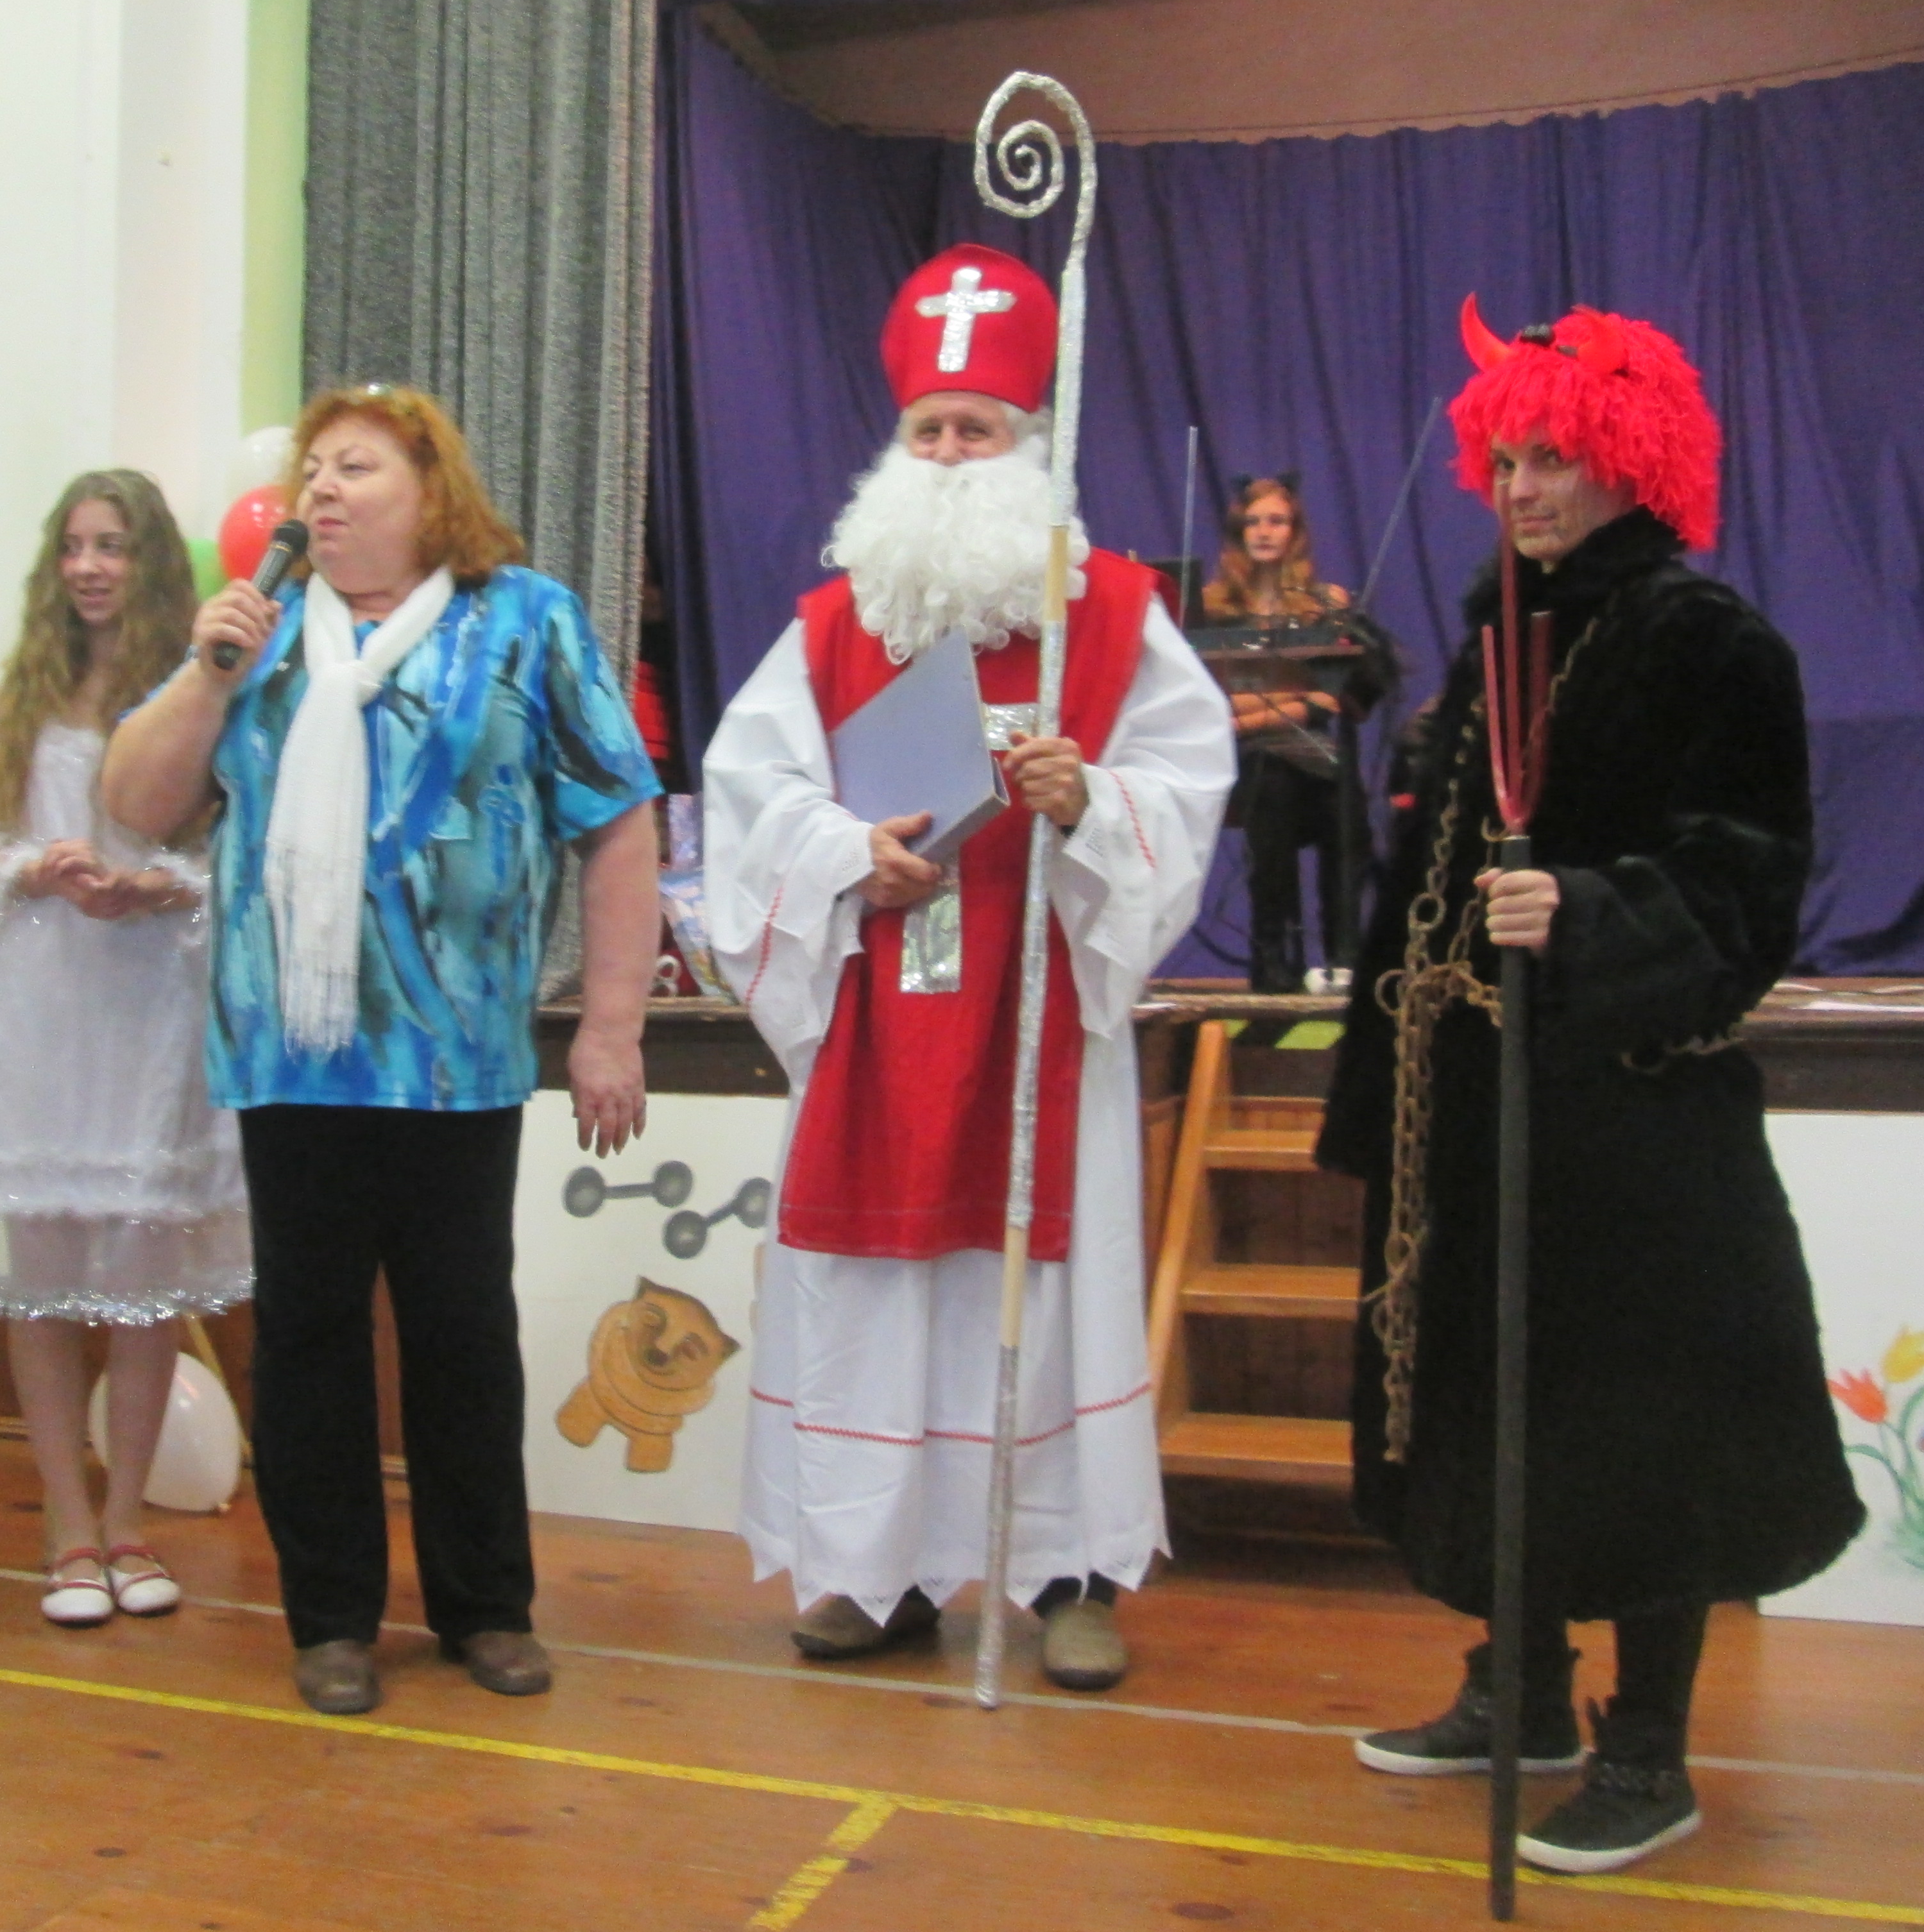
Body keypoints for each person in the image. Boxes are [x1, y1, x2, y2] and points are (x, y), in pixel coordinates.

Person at [1319, 301, 1862, 1874]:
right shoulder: (1496, 640)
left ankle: (1648, 1752)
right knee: (1498, 1401)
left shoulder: (1709, 642)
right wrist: (1379, 1092)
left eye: (1552, 456)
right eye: (1503, 459)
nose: (1522, 487)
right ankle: (1524, 1691)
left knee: (1644, 1423)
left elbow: (1748, 883)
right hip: (1478, 1109)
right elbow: (1418, 896)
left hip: (1629, 1112)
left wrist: (1594, 909)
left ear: (1632, 458)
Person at [702, 243, 1234, 1691]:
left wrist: (1090, 801)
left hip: (1040, 1004)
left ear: (1027, 446)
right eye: (928, 429)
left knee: (1045, 1293)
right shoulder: (834, 626)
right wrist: (840, 852)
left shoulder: (1112, 611)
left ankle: (1068, 1574)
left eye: (975, 430)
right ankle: (875, 1576)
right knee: (880, 1298)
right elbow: (748, 793)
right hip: (887, 1008)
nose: (946, 453)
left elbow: (1187, 782)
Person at [103, 384, 661, 1717]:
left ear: (432, 489)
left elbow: (617, 820)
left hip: (455, 1055)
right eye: (313, 471)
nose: (322, 491)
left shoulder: (524, 621)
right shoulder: (263, 631)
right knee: (305, 1335)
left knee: (463, 1327)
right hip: (291, 1058)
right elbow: (135, 805)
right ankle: (332, 1617)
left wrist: (612, 1025)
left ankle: (486, 1605)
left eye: (354, 468)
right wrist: (208, 669)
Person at [0, 470, 251, 1628]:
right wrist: (40, 866)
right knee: (43, 1281)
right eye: (73, 546)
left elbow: (232, 856)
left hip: (151, 999)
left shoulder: (199, 688)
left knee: (141, 1284)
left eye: (112, 545)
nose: (88, 567)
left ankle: (129, 1523)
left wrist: (161, 885)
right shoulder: (17, 695)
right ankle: (66, 1528)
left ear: (150, 561)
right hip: (45, 1001)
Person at [1203, 477, 1365, 994]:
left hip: (1314, 755)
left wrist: (1247, 711)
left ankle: (1344, 957)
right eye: (1252, 522)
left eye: (1276, 521)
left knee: (1344, 798)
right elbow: (1210, 698)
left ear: (1295, 531)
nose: (1264, 532)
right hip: (1246, 759)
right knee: (1272, 782)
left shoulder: (1326, 603)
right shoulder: (1212, 606)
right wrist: (1290, 704)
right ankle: (1272, 955)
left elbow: (1331, 698)